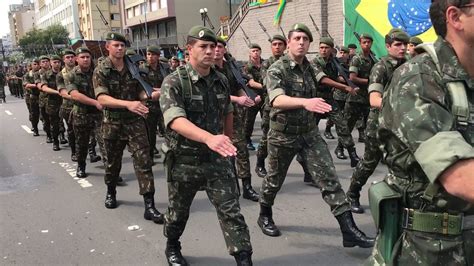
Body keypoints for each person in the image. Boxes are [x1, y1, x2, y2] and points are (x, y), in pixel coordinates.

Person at [366, 1, 474, 265]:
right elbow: (461, 178)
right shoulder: (418, 78)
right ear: (455, 17)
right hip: (431, 248)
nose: (402, 48)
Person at [258, 23, 374, 249]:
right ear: (289, 42)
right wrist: (305, 102)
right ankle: (265, 214)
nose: (301, 42)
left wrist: (345, 86)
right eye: (297, 38)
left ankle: (348, 230)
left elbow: (324, 79)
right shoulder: (277, 69)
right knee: (273, 180)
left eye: (305, 39)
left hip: (309, 134)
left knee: (329, 178)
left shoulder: (309, 68)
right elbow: (276, 99)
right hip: (283, 135)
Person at [160, 26, 253, 265]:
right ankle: (172, 244)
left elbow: (227, 112)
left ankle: (243, 257)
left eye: (214, 46)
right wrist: (209, 138)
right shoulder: (174, 81)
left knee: (231, 212)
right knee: (177, 213)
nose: (210, 51)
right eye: (204, 46)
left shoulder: (221, 80)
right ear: (189, 49)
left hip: (216, 161)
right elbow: (175, 120)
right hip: (184, 161)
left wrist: (226, 139)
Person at [93, 32, 164, 224]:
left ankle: (149, 205)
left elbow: (140, 91)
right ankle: (111, 192)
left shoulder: (134, 67)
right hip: (113, 123)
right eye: (115, 45)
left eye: (122, 45)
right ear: (108, 47)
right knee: (113, 163)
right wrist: (128, 104)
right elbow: (102, 98)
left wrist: (151, 95)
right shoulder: (101, 70)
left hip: (134, 122)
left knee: (144, 162)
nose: (119, 48)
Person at [346, 29, 409, 214]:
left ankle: (396, 200)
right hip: (379, 124)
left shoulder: (408, 66)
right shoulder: (381, 67)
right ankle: (352, 193)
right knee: (369, 162)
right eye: (398, 44)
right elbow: (374, 100)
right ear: (388, 46)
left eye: (404, 44)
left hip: (401, 125)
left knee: (401, 164)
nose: (402, 48)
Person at [214, 36, 260, 202]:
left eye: (220, 47)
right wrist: (237, 99)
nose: (217, 50)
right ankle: (226, 186)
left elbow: (239, 85)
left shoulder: (230, 68)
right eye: (214, 47)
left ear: (224, 50)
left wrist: (247, 96)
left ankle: (247, 187)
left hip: (233, 116)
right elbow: (215, 94)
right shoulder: (208, 69)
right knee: (221, 154)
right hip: (214, 118)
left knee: (241, 151)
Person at [308, 37, 360, 169]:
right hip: (316, 100)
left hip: (329, 99)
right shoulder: (314, 62)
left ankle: (353, 155)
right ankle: (304, 158)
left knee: (342, 125)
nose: (323, 50)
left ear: (331, 49)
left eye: (326, 48)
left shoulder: (333, 62)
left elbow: (333, 77)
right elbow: (324, 80)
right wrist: (345, 87)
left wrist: (344, 80)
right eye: (321, 48)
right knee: (309, 131)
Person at [65, 47, 105, 178]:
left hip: (98, 115)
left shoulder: (96, 73)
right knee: (82, 144)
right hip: (81, 115)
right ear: (77, 59)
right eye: (82, 57)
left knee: (105, 143)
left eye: (88, 57)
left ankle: (111, 172)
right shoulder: (71, 75)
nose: (86, 59)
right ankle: (81, 166)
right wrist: (95, 102)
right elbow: (75, 95)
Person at [255, 34, 287, 178]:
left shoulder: (288, 63)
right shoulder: (267, 64)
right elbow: (266, 82)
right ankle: (260, 163)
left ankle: (307, 171)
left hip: (288, 106)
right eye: (274, 44)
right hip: (271, 106)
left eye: (280, 44)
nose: (277, 47)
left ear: (285, 46)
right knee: (267, 136)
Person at [346, 33, 376, 153]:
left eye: (369, 42)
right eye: (364, 42)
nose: (367, 44)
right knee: (348, 126)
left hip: (368, 98)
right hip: (356, 97)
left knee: (371, 126)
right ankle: (340, 147)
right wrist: (369, 81)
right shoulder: (356, 58)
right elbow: (352, 78)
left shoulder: (373, 59)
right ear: (360, 44)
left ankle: (370, 153)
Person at [140, 45, 168, 161]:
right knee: (150, 133)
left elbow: (169, 83)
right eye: (148, 54)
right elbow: (143, 87)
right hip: (149, 105)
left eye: (153, 55)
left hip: (163, 104)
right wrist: (160, 90)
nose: (150, 57)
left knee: (167, 130)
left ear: (158, 56)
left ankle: (169, 154)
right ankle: (149, 156)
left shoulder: (164, 68)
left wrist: (159, 91)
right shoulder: (142, 69)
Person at [38, 55, 63, 151]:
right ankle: (55, 141)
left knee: (68, 124)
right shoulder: (46, 75)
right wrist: (58, 92)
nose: (57, 64)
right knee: (54, 124)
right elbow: (44, 88)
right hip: (52, 102)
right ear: (51, 63)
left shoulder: (64, 74)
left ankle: (64, 137)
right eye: (54, 62)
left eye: (58, 62)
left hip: (65, 101)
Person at [244, 43, 265, 151]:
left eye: (257, 50)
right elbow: (251, 83)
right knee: (249, 121)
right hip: (253, 97)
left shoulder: (265, 64)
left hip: (264, 97)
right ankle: (247, 140)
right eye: (253, 51)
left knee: (267, 120)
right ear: (250, 53)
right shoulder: (247, 67)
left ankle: (267, 141)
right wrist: (267, 86)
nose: (255, 53)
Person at [57, 49, 77, 161]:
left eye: (72, 57)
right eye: (67, 57)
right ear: (64, 60)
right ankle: (74, 151)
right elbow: (63, 92)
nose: (70, 59)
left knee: (90, 131)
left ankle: (92, 151)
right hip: (68, 107)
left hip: (85, 107)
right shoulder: (60, 75)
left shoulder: (83, 71)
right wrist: (77, 97)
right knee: (71, 130)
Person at [36, 56, 53, 143]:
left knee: (58, 119)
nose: (45, 63)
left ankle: (61, 135)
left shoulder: (54, 71)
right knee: (46, 119)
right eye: (43, 62)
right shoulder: (37, 74)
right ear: (40, 64)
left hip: (55, 99)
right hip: (44, 99)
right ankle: (49, 135)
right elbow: (39, 86)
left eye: (47, 61)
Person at [24, 59, 41, 136]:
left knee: (45, 115)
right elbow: (26, 85)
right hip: (31, 96)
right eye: (34, 64)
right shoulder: (28, 75)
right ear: (31, 65)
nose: (36, 65)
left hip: (42, 96)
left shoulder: (42, 73)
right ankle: (35, 128)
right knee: (34, 114)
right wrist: (39, 85)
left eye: (38, 64)